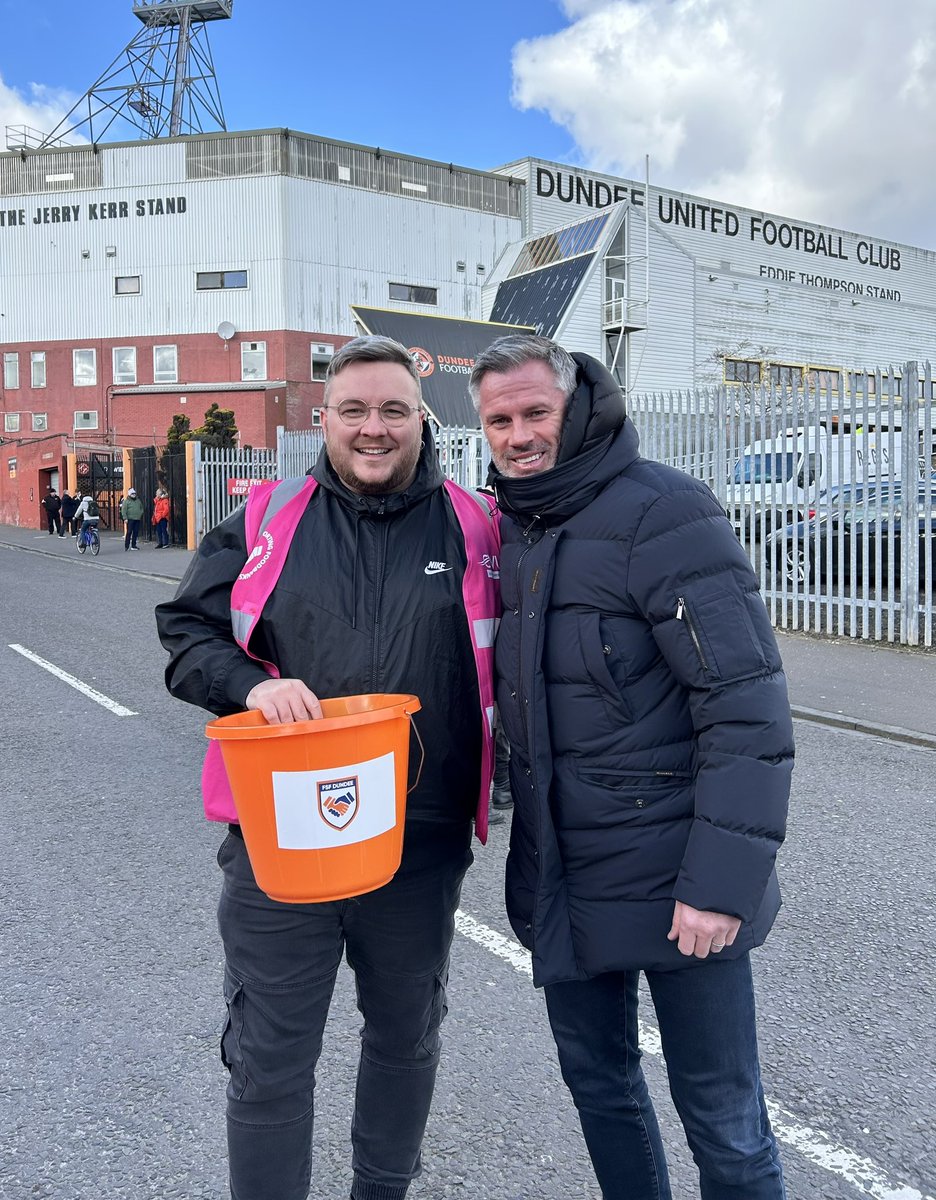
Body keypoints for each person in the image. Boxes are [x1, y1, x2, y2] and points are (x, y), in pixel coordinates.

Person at [155, 335, 500, 1200]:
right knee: (271, 1057)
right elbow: (186, 633)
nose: (373, 429)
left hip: (417, 844)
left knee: (404, 1040)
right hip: (279, 846)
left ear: (422, 417)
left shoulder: (477, 526)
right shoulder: (267, 518)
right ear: (326, 419)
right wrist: (247, 687)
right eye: (355, 410)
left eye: (393, 410)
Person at [471, 334, 794, 1200]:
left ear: (578, 407)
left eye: (535, 412)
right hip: (564, 877)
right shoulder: (512, 529)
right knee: (602, 1094)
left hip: (677, 876)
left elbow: (744, 706)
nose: (518, 435)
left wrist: (721, 885)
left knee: (725, 1124)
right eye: (499, 419)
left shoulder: (664, 512)